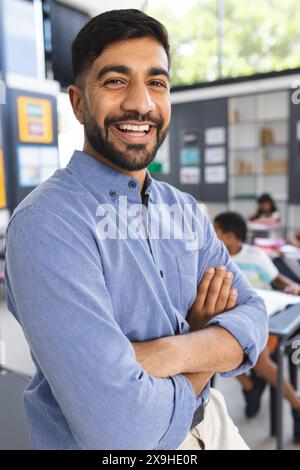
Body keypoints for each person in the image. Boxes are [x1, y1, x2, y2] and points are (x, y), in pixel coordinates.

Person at [5, 10, 267, 450]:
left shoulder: (182, 209)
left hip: (213, 426)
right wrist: (207, 346)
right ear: (78, 102)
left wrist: (170, 352)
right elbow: (124, 431)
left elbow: (254, 316)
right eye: (115, 81)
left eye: (157, 83)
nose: (141, 103)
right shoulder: (47, 225)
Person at [214, 211, 300, 443]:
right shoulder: (213, 256)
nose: (213, 235)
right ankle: (250, 384)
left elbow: (283, 282)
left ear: (230, 237)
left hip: (262, 322)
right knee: (210, 351)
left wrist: (293, 287)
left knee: (260, 358)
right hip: (229, 323)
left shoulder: (255, 256)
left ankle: (296, 405)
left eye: (217, 231)